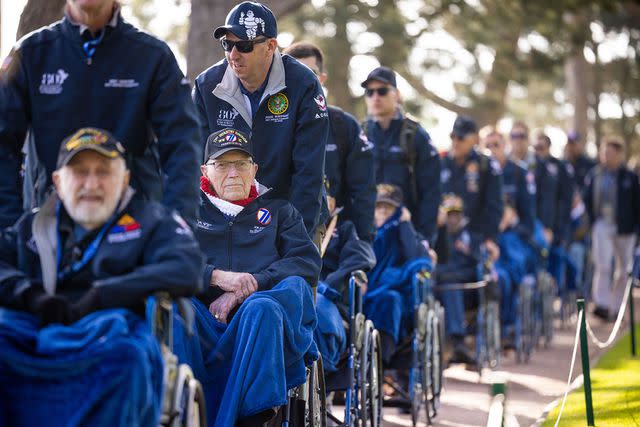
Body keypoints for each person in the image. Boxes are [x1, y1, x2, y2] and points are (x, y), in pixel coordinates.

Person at [0, 128, 204, 427]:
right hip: (33, 335)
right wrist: (30, 295)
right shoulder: (32, 226)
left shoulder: (151, 221)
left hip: (110, 338)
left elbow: (187, 267)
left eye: (103, 172)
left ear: (124, 180)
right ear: (58, 181)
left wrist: (103, 295)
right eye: (80, 172)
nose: (91, 184)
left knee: (127, 360)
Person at [0, 0, 201, 228]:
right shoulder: (28, 55)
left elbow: (183, 146)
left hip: (133, 232)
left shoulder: (154, 58)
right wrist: (10, 229)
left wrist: (177, 227)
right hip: (48, 233)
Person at [175, 128, 321, 427]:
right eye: (222, 164)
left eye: (241, 164)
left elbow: (305, 262)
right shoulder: (185, 212)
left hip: (261, 321)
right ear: (205, 170)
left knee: (278, 297)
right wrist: (215, 277)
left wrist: (250, 285)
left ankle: (255, 418)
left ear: (254, 169)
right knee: (169, 302)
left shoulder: (280, 212)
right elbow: (166, 261)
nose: (233, 173)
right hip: (203, 320)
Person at [192, 1, 329, 241]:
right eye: (227, 44)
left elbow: (309, 172)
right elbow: (196, 164)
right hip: (226, 220)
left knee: (294, 278)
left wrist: (295, 238)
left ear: (270, 46)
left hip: (294, 213)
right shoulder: (206, 86)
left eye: (244, 46)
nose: (233, 55)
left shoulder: (303, 84)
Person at [284, 41, 376, 242]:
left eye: (310, 73)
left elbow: (363, 192)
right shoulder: (270, 125)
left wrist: (364, 242)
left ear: (322, 79)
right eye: (294, 73)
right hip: (283, 237)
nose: (303, 80)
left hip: (338, 241)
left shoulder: (345, 126)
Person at [439, 115, 503, 361]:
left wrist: (489, 238)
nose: (455, 141)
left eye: (461, 138)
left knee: (455, 276)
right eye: (452, 137)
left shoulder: (487, 166)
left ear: (474, 139)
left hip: (473, 241)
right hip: (443, 241)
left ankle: (458, 338)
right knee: (440, 274)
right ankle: (450, 339)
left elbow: (494, 207)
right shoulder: (441, 163)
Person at [361, 66, 442, 244]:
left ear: (396, 94)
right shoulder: (361, 134)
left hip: (407, 231)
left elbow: (431, 193)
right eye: (370, 92)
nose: (375, 97)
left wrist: (424, 238)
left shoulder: (415, 135)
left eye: (382, 91)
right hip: (368, 233)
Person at [364, 184, 432, 364]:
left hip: (397, 299)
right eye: (378, 206)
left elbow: (416, 257)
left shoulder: (404, 231)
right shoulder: (364, 232)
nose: (382, 211)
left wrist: (405, 224)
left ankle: (381, 359)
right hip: (365, 293)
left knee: (390, 299)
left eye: (388, 207)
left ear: (399, 210)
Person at [583, 136, 640, 320]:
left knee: (623, 270)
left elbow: (637, 204)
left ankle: (615, 307)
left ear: (619, 154)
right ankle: (602, 304)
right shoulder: (595, 175)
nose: (606, 156)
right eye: (604, 152)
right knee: (603, 265)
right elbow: (587, 200)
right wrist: (591, 221)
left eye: (610, 152)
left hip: (625, 228)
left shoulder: (630, 177)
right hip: (602, 224)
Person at [533, 133, 574, 296]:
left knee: (556, 263)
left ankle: (554, 296)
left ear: (548, 147)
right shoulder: (530, 166)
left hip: (555, 227)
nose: (538, 151)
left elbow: (566, 200)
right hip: (535, 226)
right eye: (535, 148)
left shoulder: (560, 167)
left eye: (541, 148)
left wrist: (559, 229)